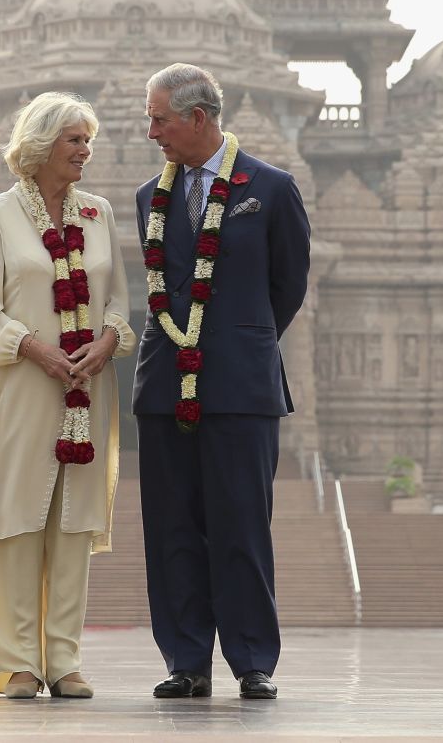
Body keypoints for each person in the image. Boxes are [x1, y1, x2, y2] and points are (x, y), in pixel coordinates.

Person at [133, 63, 310, 700]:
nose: (151, 131)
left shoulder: (271, 187)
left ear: (198, 118)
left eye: (159, 119)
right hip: (163, 385)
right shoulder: (147, 196)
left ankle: (252, 658)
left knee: (240, 523)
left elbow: (287, 288)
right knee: (171, 527)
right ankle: (186, 659)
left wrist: (239, 337)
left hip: (240, 385)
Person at [0, 91, 136, 699]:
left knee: (73, 522)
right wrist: (40, 350)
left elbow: (117, 299)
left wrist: (107, 341)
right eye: (74, 140)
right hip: (22, 384)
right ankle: (14, 661)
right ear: (39, 146)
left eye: (88, 140)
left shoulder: (97, 214)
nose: (86, 151)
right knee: (12, 515)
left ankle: (63, 659)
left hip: (87, 385)